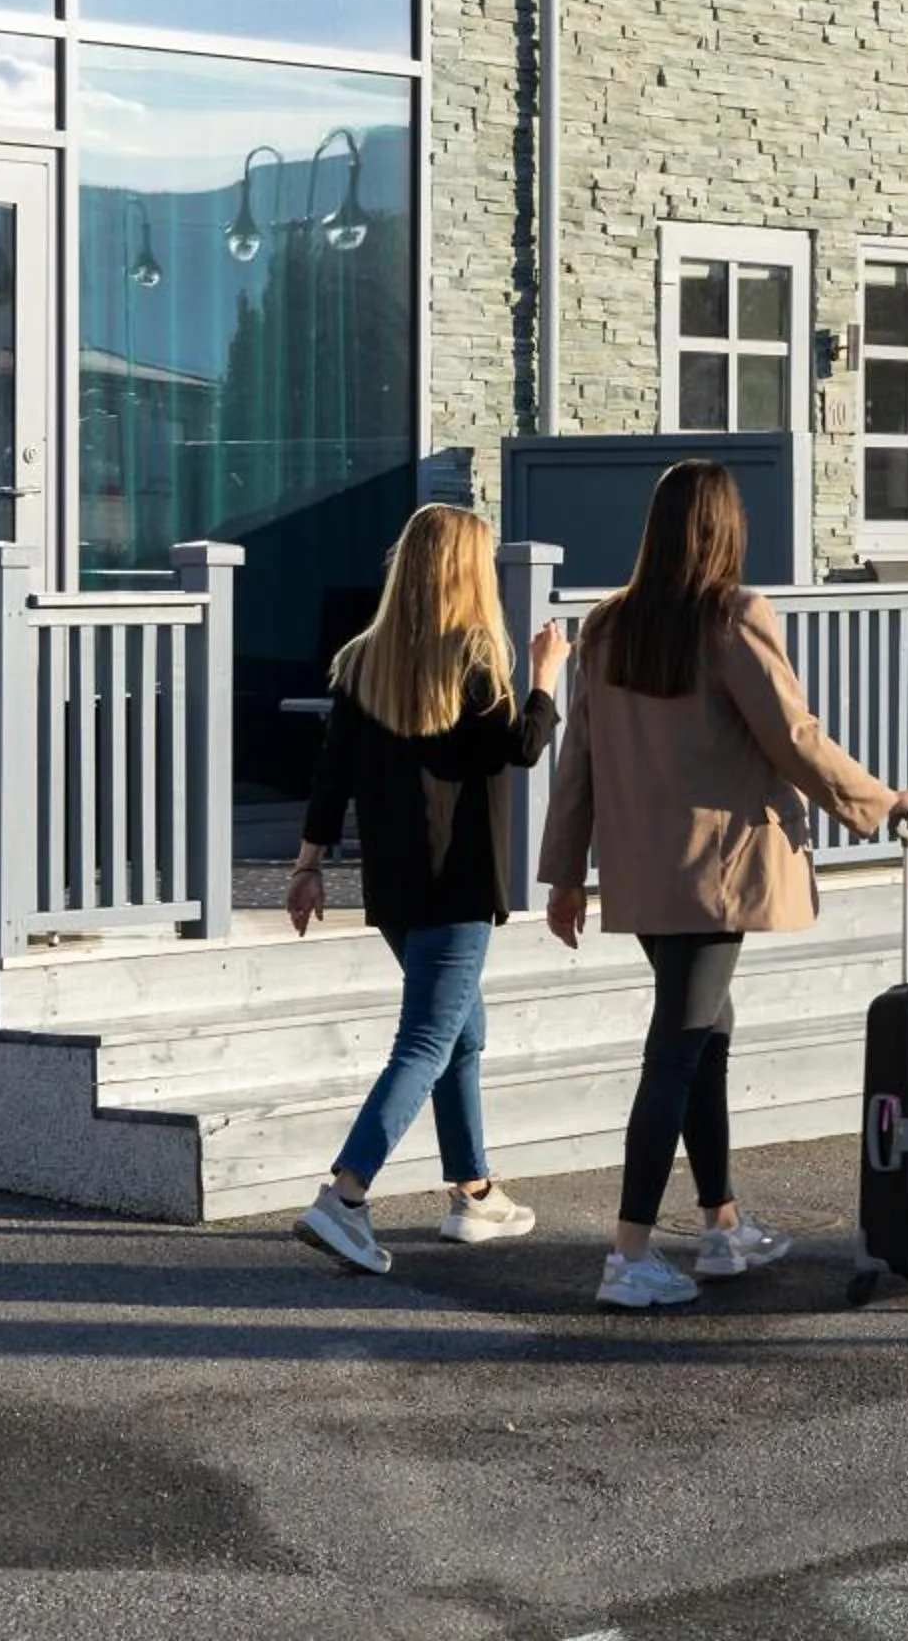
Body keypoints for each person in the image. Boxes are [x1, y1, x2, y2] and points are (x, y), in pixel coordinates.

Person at [539, 461, 908, 1310]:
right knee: (679, 1052)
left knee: (707, 1037)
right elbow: (792, 736)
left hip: (644, 873)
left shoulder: (606, 625)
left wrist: (566, 873)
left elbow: (577, 759)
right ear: (724, 528)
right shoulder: (731, 617)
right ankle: (629, 1254)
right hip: (717, 871)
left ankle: (721, 1225)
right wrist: (884, 801)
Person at [287, 503, 570, 1276]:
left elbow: (331, 774)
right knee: (425, 1042)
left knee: (462, 1034)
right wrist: (545, 677)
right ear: (466, 571)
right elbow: (519, 749)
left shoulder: (363, 660)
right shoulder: (476, 657)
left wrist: (308, 864)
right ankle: (344, 1196)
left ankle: (474, 1191)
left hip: (396, 885)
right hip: (458, 884)